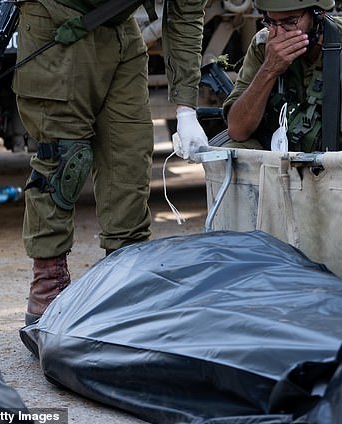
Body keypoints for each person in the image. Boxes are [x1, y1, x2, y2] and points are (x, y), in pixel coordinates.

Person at [13, 0, 208, 325]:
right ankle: (48, 285)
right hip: (57, 22)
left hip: (119, 28)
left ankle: (122, 282)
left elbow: (185, 10)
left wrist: (186, 108)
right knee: (63, 162)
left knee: (129, 158)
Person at [222, 0, 342, 152]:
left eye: (290, 22)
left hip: (340, 162)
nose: (279, 34)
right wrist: (269, 70)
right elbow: (237, 129)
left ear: (319, 15)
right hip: (281, 158)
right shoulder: (263, 46)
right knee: (229, 153)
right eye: (271, 22)